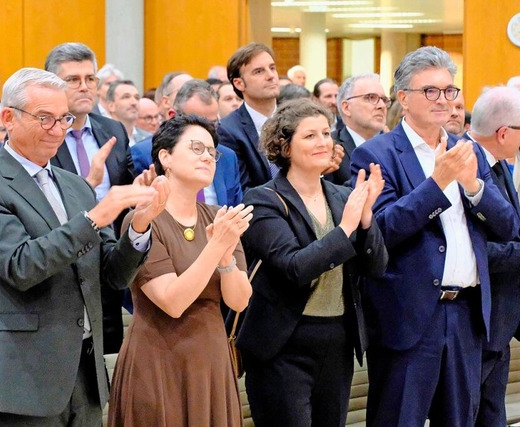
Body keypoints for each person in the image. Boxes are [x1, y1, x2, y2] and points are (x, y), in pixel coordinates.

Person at [0, 67, 168, 425]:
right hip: (22, 377)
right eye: (45, 118)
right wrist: (95, 218)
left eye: (64, 118)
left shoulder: (76, 187)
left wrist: (138, 225)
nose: (59, 130)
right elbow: (22, 266)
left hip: (84, 371)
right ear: (8, 118)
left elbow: (112, 277)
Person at [349, 46, 519, 426]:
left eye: (449, 90)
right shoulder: (376, 154)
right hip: (407, 315)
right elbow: (382, 231)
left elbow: (508, 225)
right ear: (404, 99)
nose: (443, 100)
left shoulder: (467, 149)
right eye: (431, 91)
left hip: (466, 315)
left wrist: (473, 185)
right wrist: (438, 183)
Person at [237, 99, 387, 426]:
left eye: (326, 133)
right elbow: (294, 268)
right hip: (283, 343)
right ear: (284, 146)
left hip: (337, 338)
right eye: (310, 136)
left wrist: (364, 220)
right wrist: (346, 228)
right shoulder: (262, 199)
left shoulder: (343, 196)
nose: (323, 142)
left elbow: (376, 267)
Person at [108, 114, 252, 426]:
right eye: (196, 148)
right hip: (158, 359)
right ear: (165, 157)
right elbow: (173, 302)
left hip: (211, 358)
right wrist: (216, 247)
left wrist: (226, 257)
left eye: (212, 152)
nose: (207, 157)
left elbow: (239, 302)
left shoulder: (218, 216)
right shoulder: (144, 219)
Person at [45, 42, 137, 354]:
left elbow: (124, 190)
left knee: (110, 356)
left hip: (111, 261)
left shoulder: (112, 129)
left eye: (90, 78)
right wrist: (88, 185)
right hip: (63, 265)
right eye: (73, 80)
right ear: (52, 85)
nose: (84, 87)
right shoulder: (41, 137)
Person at [461, 86, 520, 427]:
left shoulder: (497, 163)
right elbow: (473, 248)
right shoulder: (466, 165)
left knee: (493, 412)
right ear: (503, 133)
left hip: (502, 315)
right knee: (471, 412)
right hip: (477, 317)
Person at [132, 79, 243, 207]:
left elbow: (235, 211)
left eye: (212, 124)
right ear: (173, 116)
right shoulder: (144, 154)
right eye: (195, 123)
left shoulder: (226, 157)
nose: (204, 131)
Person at [218, 43, 280, 193]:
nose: (271, 76)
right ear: (239, 84)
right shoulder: (228, 131)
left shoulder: (297, 119)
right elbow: (242, 191)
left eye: (272, 68)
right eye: (259, 71)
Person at [328, 73, 389, 185]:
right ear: (346, 107)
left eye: (384, 99)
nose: (381, 105)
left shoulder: (398, 145)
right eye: (371, 98)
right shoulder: (330, 146)